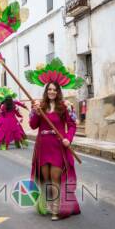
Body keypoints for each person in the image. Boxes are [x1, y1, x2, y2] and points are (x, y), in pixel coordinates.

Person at [29, 82, 80, 220]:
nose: (52, 91)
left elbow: (72, 125)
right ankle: (51, 205)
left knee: (55, 177)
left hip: (58, 146)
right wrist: (35, 111)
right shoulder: (40, 106)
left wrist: (68, 139)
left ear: (58, 92)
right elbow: (33, 126)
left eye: (54, 89)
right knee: (46, 179)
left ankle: (57, 209)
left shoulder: (65, 106)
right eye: (49, 89)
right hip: (43, 146)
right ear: (46, 91)